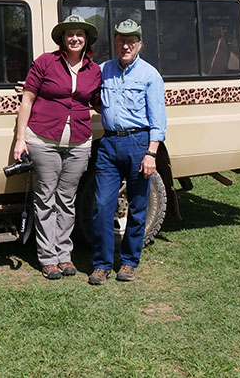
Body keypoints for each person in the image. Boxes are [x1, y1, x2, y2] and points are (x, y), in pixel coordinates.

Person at [14, 14, 102, 280]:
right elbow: (27, 101)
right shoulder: (45, 62)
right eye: (69, 34)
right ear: (63, 39)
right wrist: (20, 140)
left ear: (86, 40)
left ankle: (64, 254)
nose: (75, 38)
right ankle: (48, 258)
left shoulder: (94, 71)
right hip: (43, 140)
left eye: (80, 34)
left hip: (79, 141)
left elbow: (99, 102)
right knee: (45, 199)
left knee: (67, 199)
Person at [89, 19, 166, 285]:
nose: (126, 45)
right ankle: (102, 264)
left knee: (138, 207)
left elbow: (158, 120)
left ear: (139, 45)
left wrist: (151, 154)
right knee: (101, 206)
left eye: (131, 41)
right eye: (121, 40)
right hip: (109, 144)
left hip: (139, 143)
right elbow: (77, 88)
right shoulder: (103, 70)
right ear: (115, 43)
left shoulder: (150, 75)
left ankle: (130, 262)